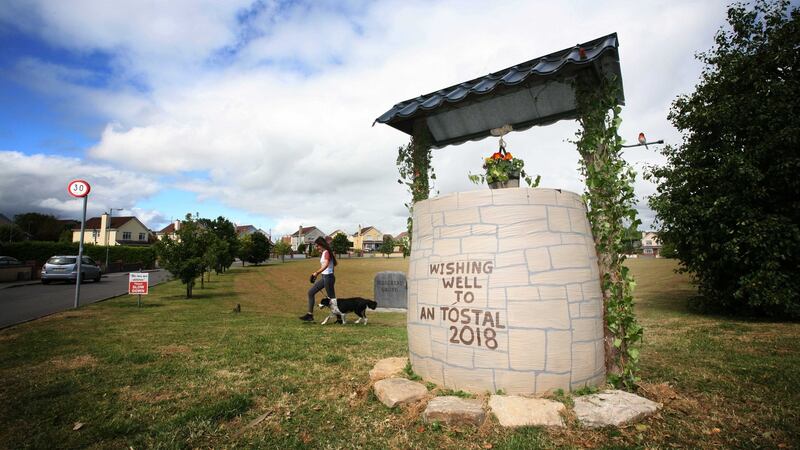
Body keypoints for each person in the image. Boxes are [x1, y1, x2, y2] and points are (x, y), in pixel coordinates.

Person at [299, 236, 338, 322]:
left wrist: (316, 273)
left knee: (332, 299)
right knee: (310, 292)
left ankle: (339, 318)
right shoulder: (324, 252)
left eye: (317, 246)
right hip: (325, 277)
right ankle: (310, 315)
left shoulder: (327, 252)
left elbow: (327, 264)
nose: (316, 247)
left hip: (328, 277)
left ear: (321, 244)